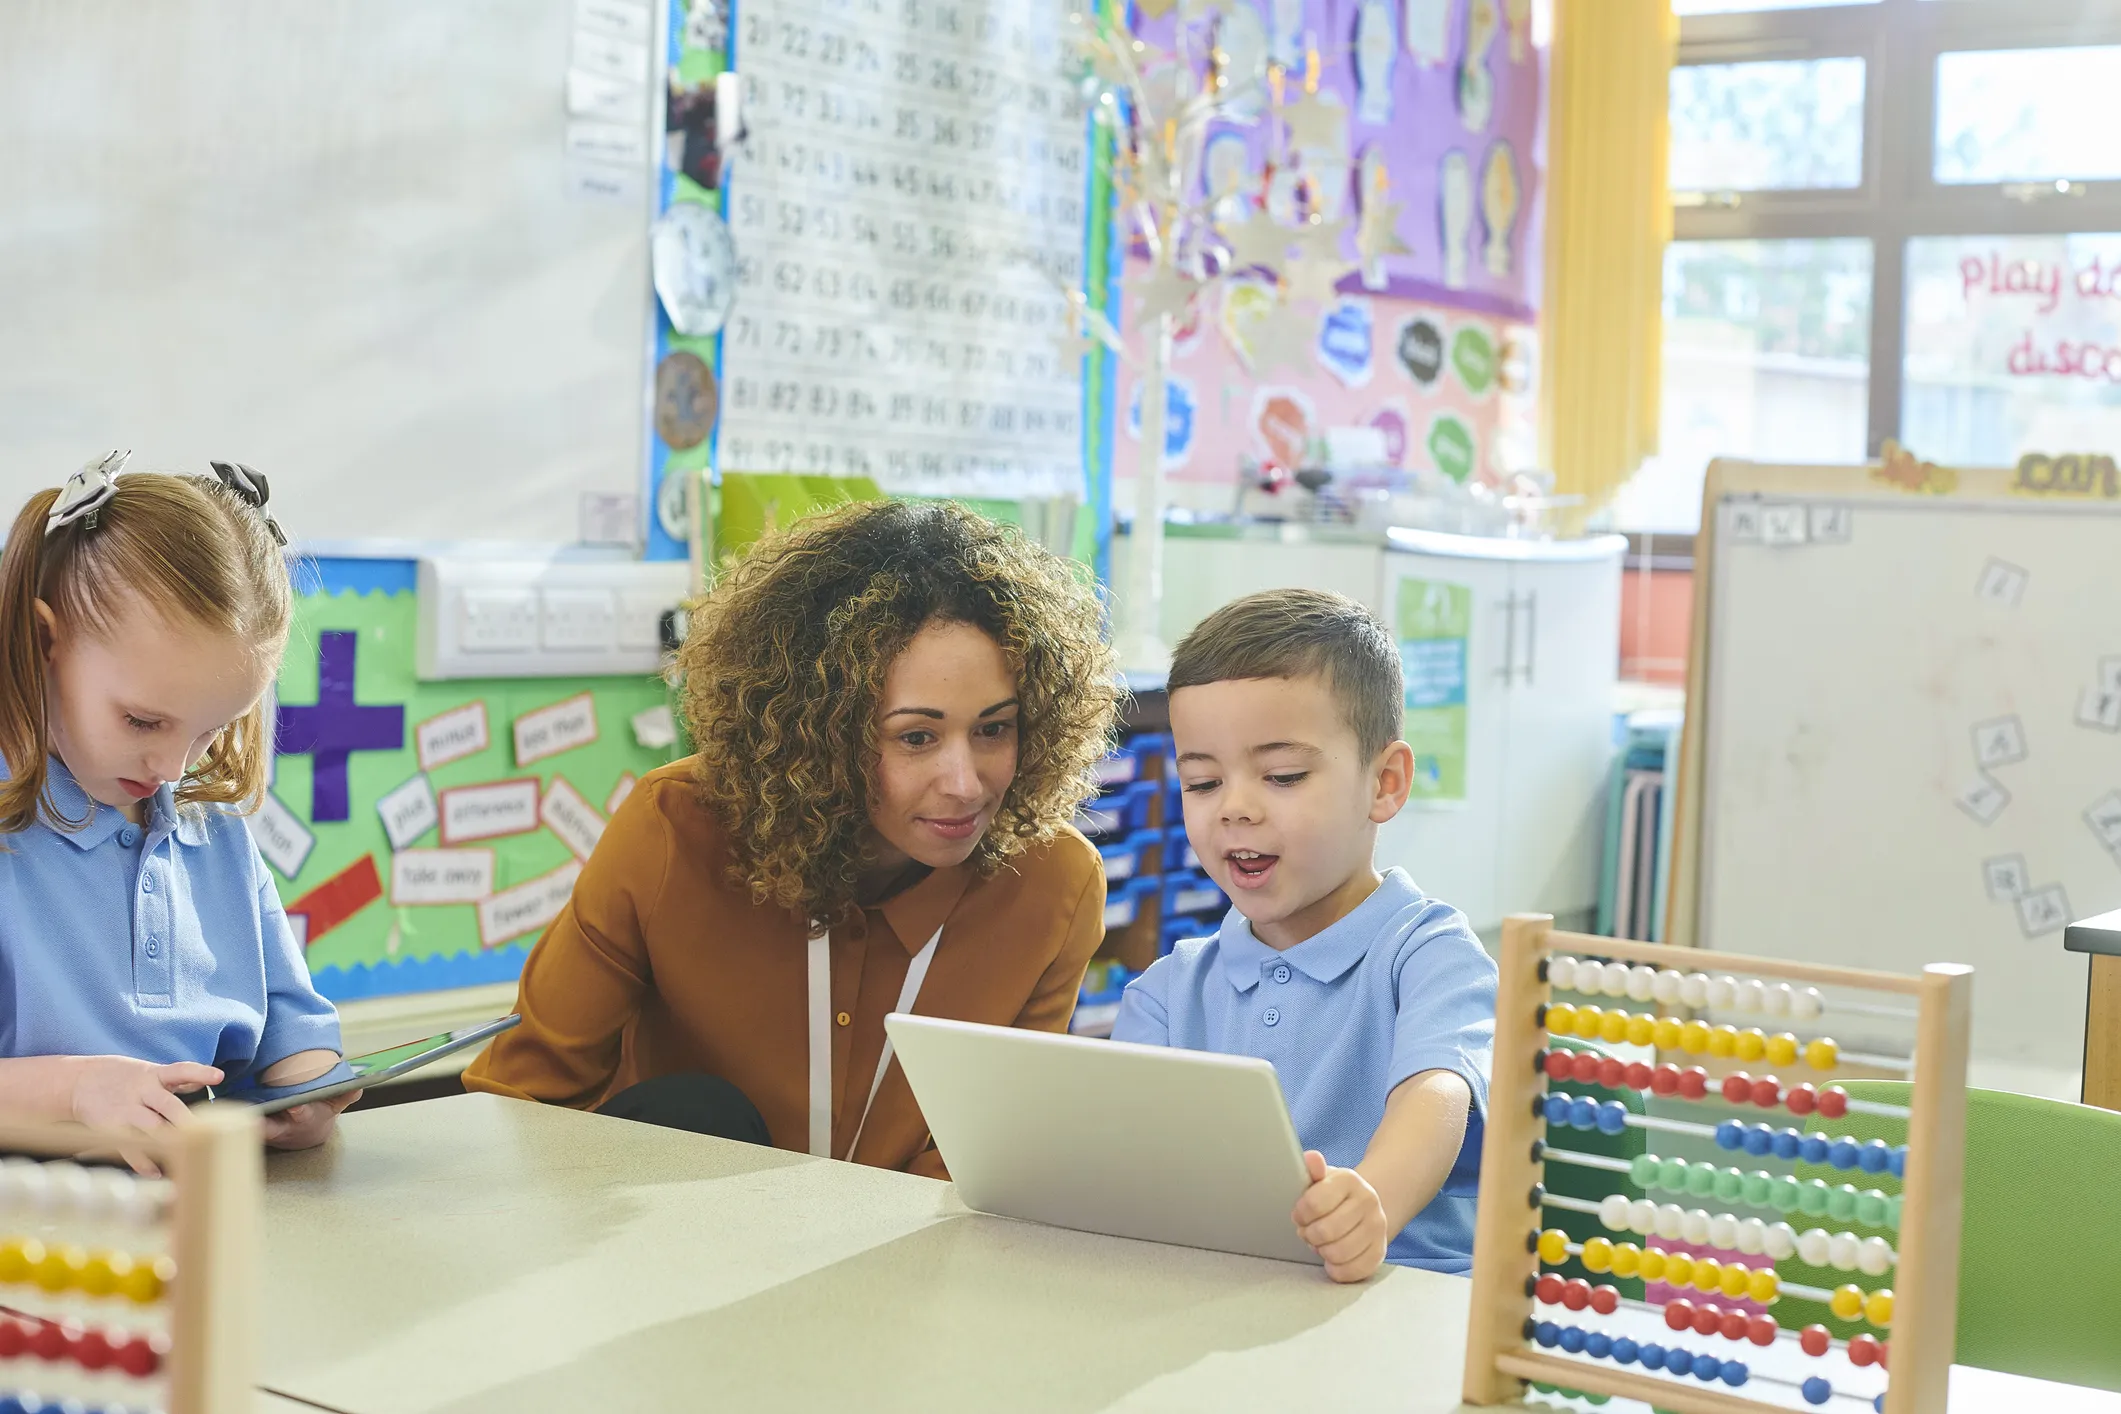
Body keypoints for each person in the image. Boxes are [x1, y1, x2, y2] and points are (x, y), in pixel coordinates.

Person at [466, 499, 1120, 1175]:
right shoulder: (673, 830)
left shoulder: (1053, 887)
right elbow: (520, 1104)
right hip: (672, 1249)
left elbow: (985, 1160)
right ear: (822, 734)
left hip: (905, 1263)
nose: (964, 783)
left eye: (993, 729)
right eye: (915, 737)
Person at [1112, 588, 1497, 1281]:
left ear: (1383, 783)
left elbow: (1435, 1093)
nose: (1234, 808)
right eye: (1201, 782)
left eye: (1282, 776)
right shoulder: (1165, 995)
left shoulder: (1428, 952)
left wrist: (1372, 1198)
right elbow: (1136, 1166)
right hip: (1226, 1301)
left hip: (1406, 1295)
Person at [0, 453, 351, 1163]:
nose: (173, 767)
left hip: (210, 1207)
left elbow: (292, 1028)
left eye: (212, 728)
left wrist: (308, 1090)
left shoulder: (210, 825)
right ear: (44, 643)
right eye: (142, 721)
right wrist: (75, 1093)